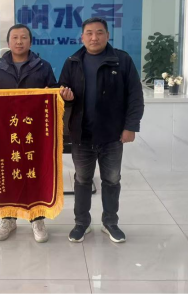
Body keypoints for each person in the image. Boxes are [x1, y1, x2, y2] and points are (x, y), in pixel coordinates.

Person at [58, 17, 144, 243]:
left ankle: (110, 222)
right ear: (82, 37)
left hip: (112, 134)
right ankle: (81, 223)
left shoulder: (121, 60)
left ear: (107, 35)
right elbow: (62, 96)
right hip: (82, 135)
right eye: (89, 33)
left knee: (112, 180)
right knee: (82, 180)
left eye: (99, 32)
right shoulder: (72, 62)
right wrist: (65, 97)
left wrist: (131, 126)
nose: (94, 37)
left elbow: (135, 96)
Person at [0, 23, 58, 243]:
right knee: (8, 172)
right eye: (15, 37)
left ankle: (37, 218)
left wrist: (55, 92)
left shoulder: (43, 66)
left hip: (34, 132)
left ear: (30, 41)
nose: (19, 41)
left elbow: (53, 91)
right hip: (6, 133)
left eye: (23, 37)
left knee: (35, 172)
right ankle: (8, 219)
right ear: (8, 42)